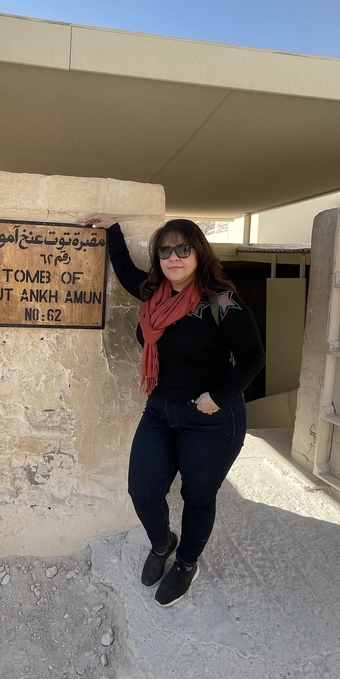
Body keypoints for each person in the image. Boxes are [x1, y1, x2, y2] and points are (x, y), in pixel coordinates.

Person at [82, 214, 265, 607]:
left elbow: (253, 358)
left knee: (198, 497)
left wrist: (217, 398)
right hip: (160, 412)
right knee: (142, 490)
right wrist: (112, 228)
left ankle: (185, 563)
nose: (174, 257)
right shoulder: (154, 293)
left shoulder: (222, 302)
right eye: (166, 250)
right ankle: (163, 543)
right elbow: (125, 268)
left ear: (199, 252)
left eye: (183, 249)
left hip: (212, 419)